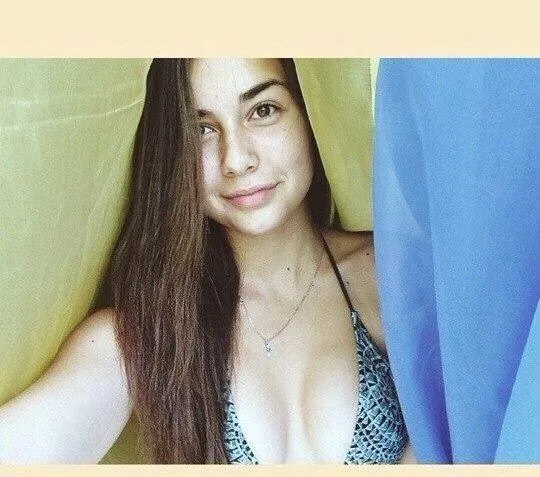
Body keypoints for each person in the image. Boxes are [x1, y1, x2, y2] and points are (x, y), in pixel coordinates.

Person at [0, 58, 413, 464]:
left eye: (263, 111)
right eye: (202, 130)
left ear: (309, 119)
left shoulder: (391, 279)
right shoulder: (151, 332)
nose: (236, 160)